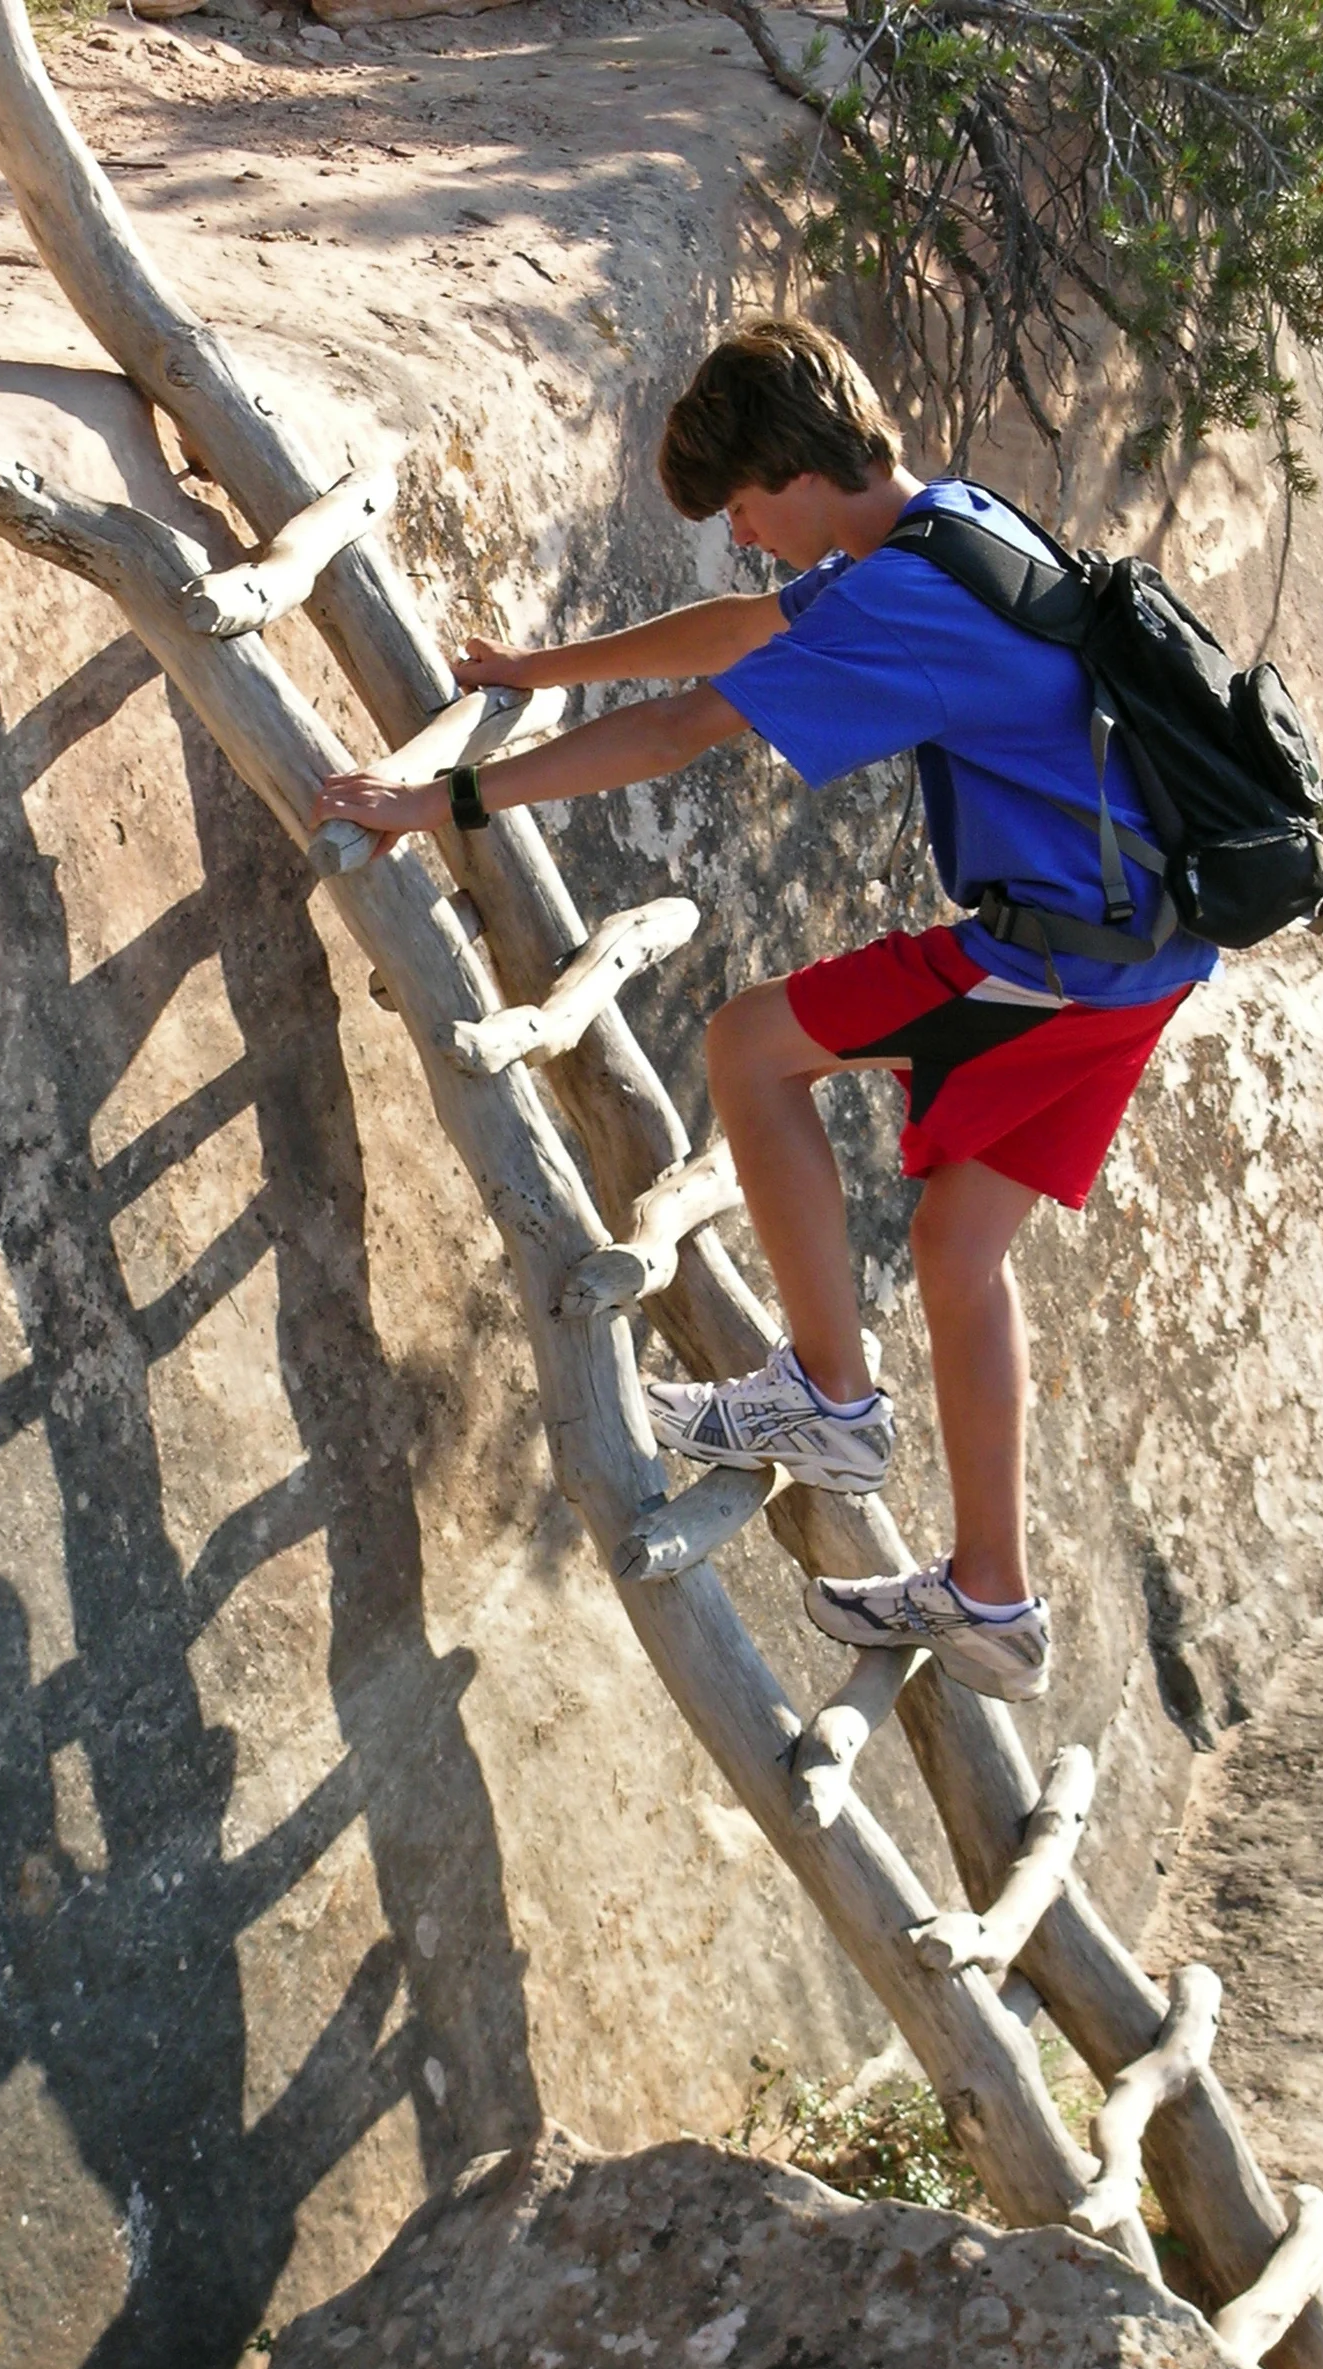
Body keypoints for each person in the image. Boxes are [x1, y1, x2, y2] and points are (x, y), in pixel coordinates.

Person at [309, 315, 1217, 1704]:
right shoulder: (953, 526)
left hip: (1061, 956)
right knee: (962, 1253)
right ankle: (993, 1602)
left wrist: (439, 804)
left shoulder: (900, 597)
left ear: (789, 473)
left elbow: (687, 726)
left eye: (742, 507)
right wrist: (535, 674)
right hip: (1147, 947)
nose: (745, 534)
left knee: (750, 1045)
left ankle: (830, 1405)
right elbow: (739, 633)